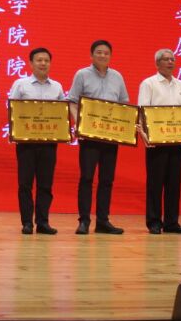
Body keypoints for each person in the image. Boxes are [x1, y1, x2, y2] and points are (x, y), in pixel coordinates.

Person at [67, 39, 130, 235]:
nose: (103, 55)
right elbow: (72, 101)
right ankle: (84, 220)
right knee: (87, 178)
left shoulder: (117, 76)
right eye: (99, 52)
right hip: (89, 136)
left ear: (110, 56)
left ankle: (103, 221)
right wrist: (79, 123)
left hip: (110, 137)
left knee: (107, 180)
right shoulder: (82, 74)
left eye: (106, 53)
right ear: (91, 55)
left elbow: (124, 104)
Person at [8, 47, 66, 235]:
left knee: (45, 185)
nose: (43, 63)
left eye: (46, 60)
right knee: (25, 184)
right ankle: (27, 222)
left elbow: (62, 114)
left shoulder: (57, 87)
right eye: (39, 60)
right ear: (31, 63)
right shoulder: (21, 84)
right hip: (26, 143)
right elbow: (13, 109)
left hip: (49, 143)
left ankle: (43, 222)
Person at [137, 48, 181, 235]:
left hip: (176, 140)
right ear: (157, 63)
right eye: (166, 59)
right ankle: (154, 221)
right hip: (156, 141)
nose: (170, 62)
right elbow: (142, 110)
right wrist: (144, 136)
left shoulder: (180, 85)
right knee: (155, 183)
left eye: (172, 59)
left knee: (174, 183)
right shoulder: (149, 83)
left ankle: (171, 222)